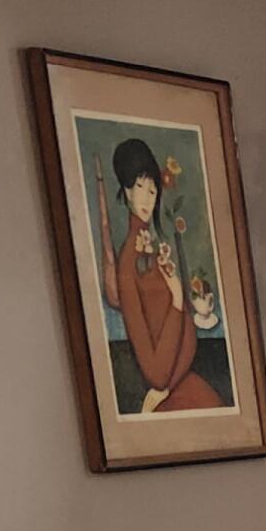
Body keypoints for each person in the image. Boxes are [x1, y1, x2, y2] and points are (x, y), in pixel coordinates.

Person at [95, 136, 224, 414]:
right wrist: (177, 299)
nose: (146, 198)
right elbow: (154, 372)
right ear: (126, 191)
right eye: (139, 187)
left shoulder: (156, 253)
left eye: (152, 191)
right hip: (167, 394)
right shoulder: (128, 262)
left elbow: (189, 338)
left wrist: (166, 386)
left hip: (177, 385)